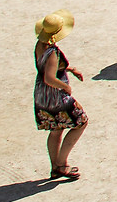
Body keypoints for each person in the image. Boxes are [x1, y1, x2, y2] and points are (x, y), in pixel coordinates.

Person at [34, 11, 88, 180]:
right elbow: (50, 78)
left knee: (56, 129)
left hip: (42, 95)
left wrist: (70, 69)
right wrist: (65, 87)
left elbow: (47, 67)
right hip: (56, 96)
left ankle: (55, 167)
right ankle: (62, 164)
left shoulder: (40, 45)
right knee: (81, 122)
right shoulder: (52, 52)